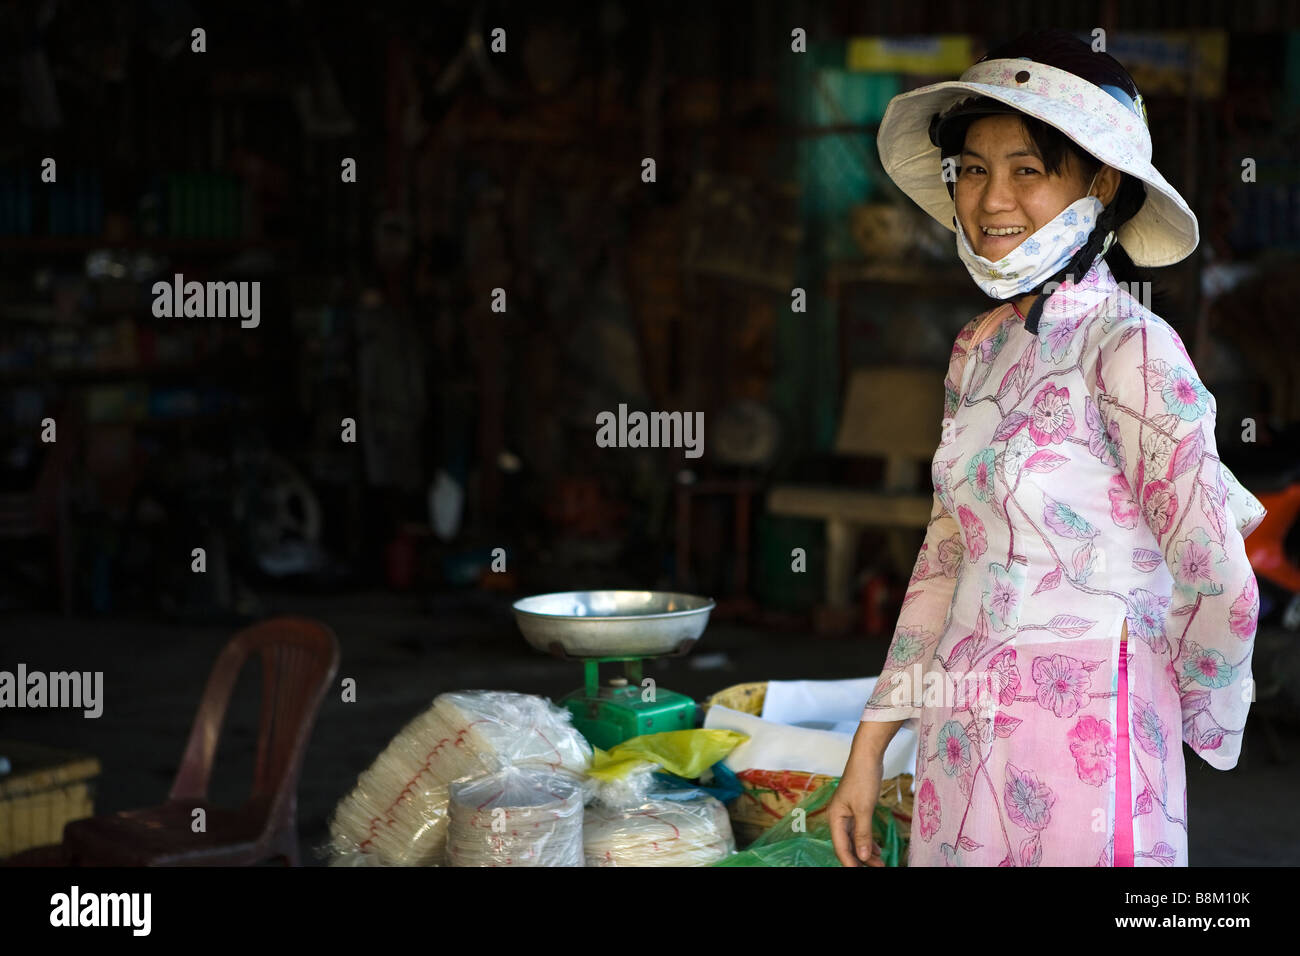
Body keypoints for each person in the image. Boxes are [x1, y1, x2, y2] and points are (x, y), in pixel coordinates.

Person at [828, 28, 1268, 867]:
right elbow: (945, 557)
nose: (992, 200)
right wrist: (873, 742)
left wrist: (1176, 706)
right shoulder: (977, 347)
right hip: (959, 740)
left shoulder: (1129, 349)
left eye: (1029, 169)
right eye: (976, 170)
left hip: (1085, 749)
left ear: (1099, 185)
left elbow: (1222, 581)